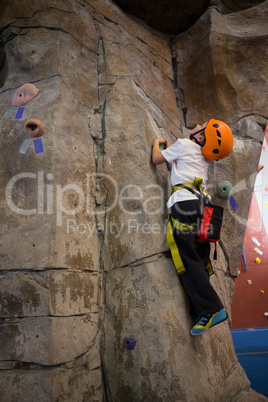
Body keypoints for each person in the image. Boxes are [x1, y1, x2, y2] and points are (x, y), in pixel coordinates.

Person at [152, 119, 234, 335]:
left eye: (202, 126)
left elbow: (156, 158)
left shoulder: (183, 144)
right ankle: (202, 311)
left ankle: (211, 309)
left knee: (186, 256)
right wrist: (171, 152)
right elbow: (174, 165)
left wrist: (158, 143)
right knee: (200, 257)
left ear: (200, 137)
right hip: (203, 207)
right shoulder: (203, 158)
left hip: (185, 204)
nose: (197, 124)